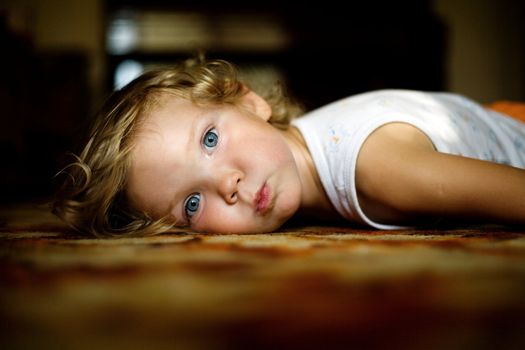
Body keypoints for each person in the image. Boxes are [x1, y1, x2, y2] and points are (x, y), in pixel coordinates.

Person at [52, 57, 525, 237]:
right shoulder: (307, 149)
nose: (227, 184)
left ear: (250, 101)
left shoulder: (379, 167)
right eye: (192, 203)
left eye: (210, 140)